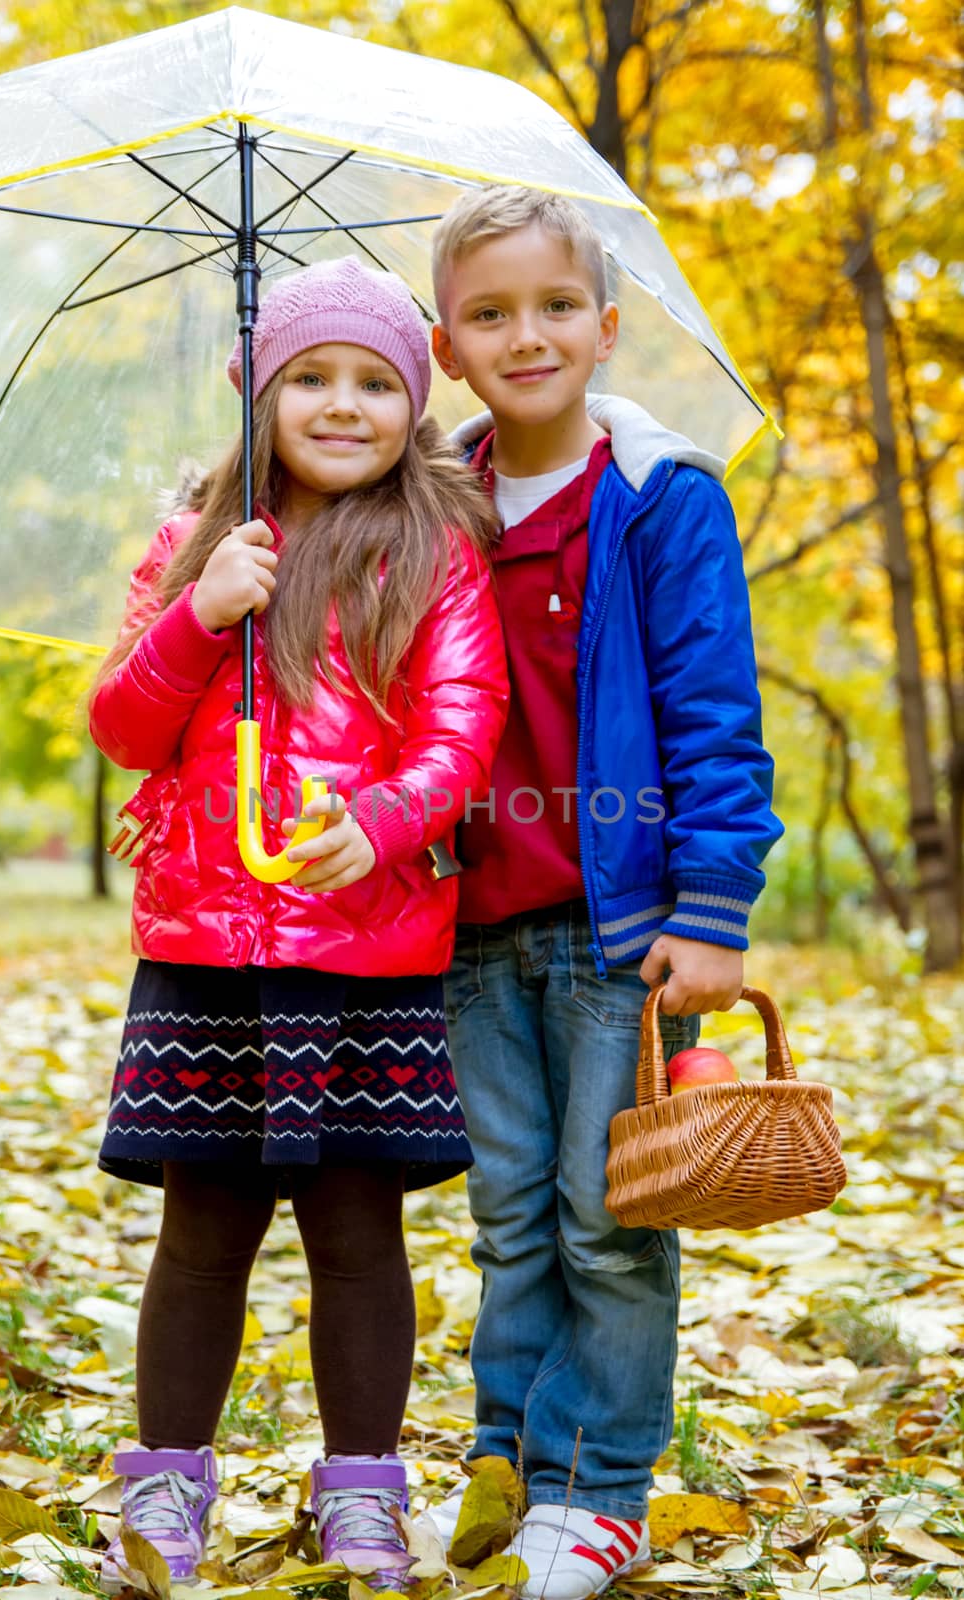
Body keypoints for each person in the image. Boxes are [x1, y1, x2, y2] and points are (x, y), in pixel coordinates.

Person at [87, 256, 509, 1593]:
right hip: (205, 947)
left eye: (374, 384)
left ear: (414, 400)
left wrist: (379, 822)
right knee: (202, 1229)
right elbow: (123, 728)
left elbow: (465, 729)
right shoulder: (198, 541)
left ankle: (365, 1500)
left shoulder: (437, 553)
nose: (340, 406)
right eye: (309, 380)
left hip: (364, 952)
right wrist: (200, 618)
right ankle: (164, 1487)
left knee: (356, 1228)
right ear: (260, 398)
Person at [426, 186, 784, 1598]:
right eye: (490, 312)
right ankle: (506, 1455)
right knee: (510, 1209)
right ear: (447, 348)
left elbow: (711, 712)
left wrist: (713, 910)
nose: (529, 334)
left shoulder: (658, 500)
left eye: (557, 306)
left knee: (610, 1215)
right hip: (464, 924)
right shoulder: (428, 503)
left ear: (609, 327)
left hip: (619, 928)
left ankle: (601, 1491)